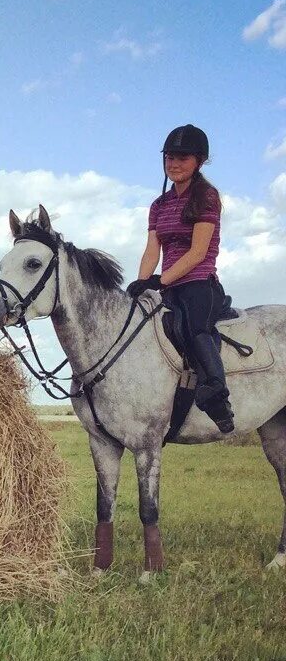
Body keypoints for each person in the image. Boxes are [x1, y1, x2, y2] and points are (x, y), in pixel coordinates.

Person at [126, 124, 235, 433]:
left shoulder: (207, 197)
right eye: (169, 157)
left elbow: (198, 252)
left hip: (199, 283)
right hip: (168, 282)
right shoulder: (158, 206)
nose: (173, 164)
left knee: (193, 326)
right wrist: (142, 284)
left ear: (199, 161)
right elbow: (151, 251)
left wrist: (161, 281)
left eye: (182, 158)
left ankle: (216, 394)